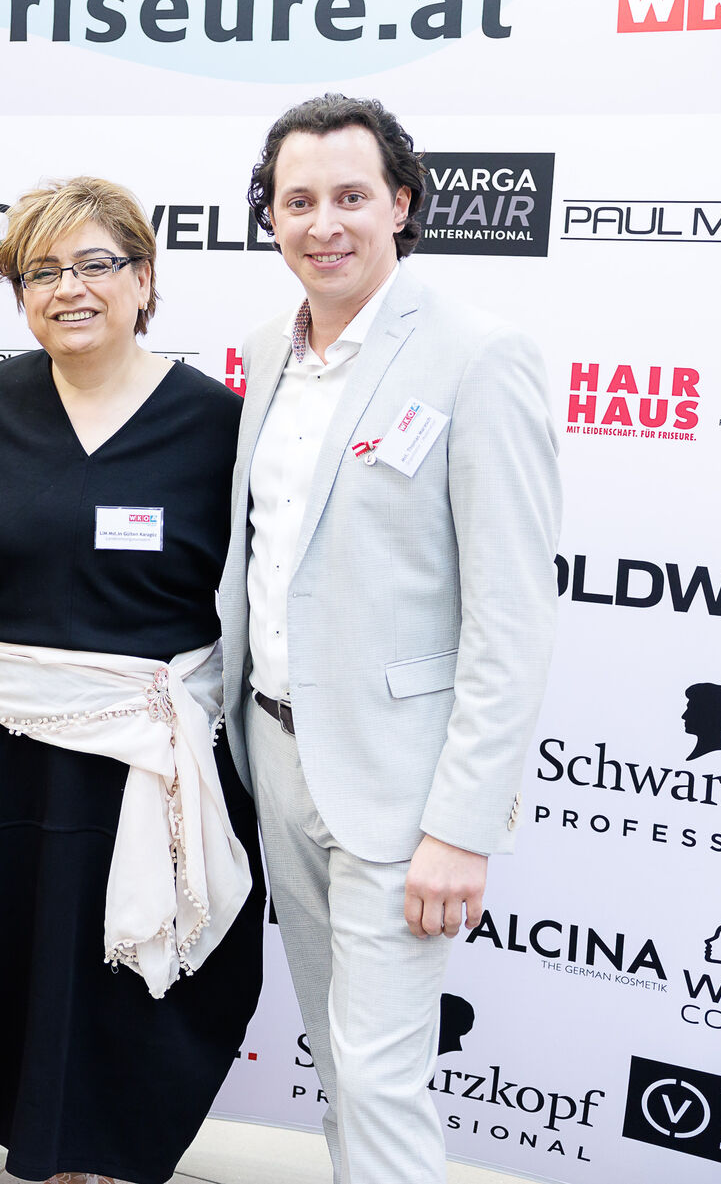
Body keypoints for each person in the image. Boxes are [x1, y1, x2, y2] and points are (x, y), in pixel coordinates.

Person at [219, 93, 561, 1184]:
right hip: (278, 759)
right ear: (271, 216)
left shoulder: (479, 355)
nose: (323, 224)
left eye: (351, 196)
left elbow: (512, 615)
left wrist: (462, 825)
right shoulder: (268, 350)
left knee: (379, 1075)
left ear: (402, 204)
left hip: (403, 792)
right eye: (297, 201)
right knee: (338, 1057)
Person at [0, 177, 264, 1184]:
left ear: (144, 278)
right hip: (7, 749)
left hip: (149, 761)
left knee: (130, 997)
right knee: (5, 967)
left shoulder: (217, 423)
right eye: (42, 271)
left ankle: (105, 1165)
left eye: (97, 263)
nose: (70, 287)